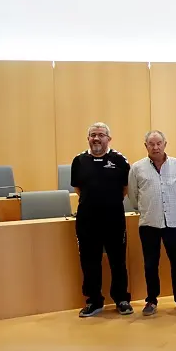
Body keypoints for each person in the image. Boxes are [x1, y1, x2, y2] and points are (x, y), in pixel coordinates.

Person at [71, 122, 132, 317]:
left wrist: (108, 203)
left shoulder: (120, 160)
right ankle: (94, 300)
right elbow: (78, 188)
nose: (96, 138)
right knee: (89, 261)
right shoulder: (79, 161)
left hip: (113, 219)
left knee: (118, 261)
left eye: (101, 135)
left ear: (109, 138)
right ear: (88, 138)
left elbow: (125, 189)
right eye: (93, 135)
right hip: (87, 220)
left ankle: (121, 299)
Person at [127, 130, 176, 315]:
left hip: (173, 222)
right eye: (151, 144)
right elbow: (133, 196)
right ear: (145, 146)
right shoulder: (137, 168)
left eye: (159, 143)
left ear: (165, 144)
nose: (155, 147)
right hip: (149, 224)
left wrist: (171, 207)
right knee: (150, 264)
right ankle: (151, 301)